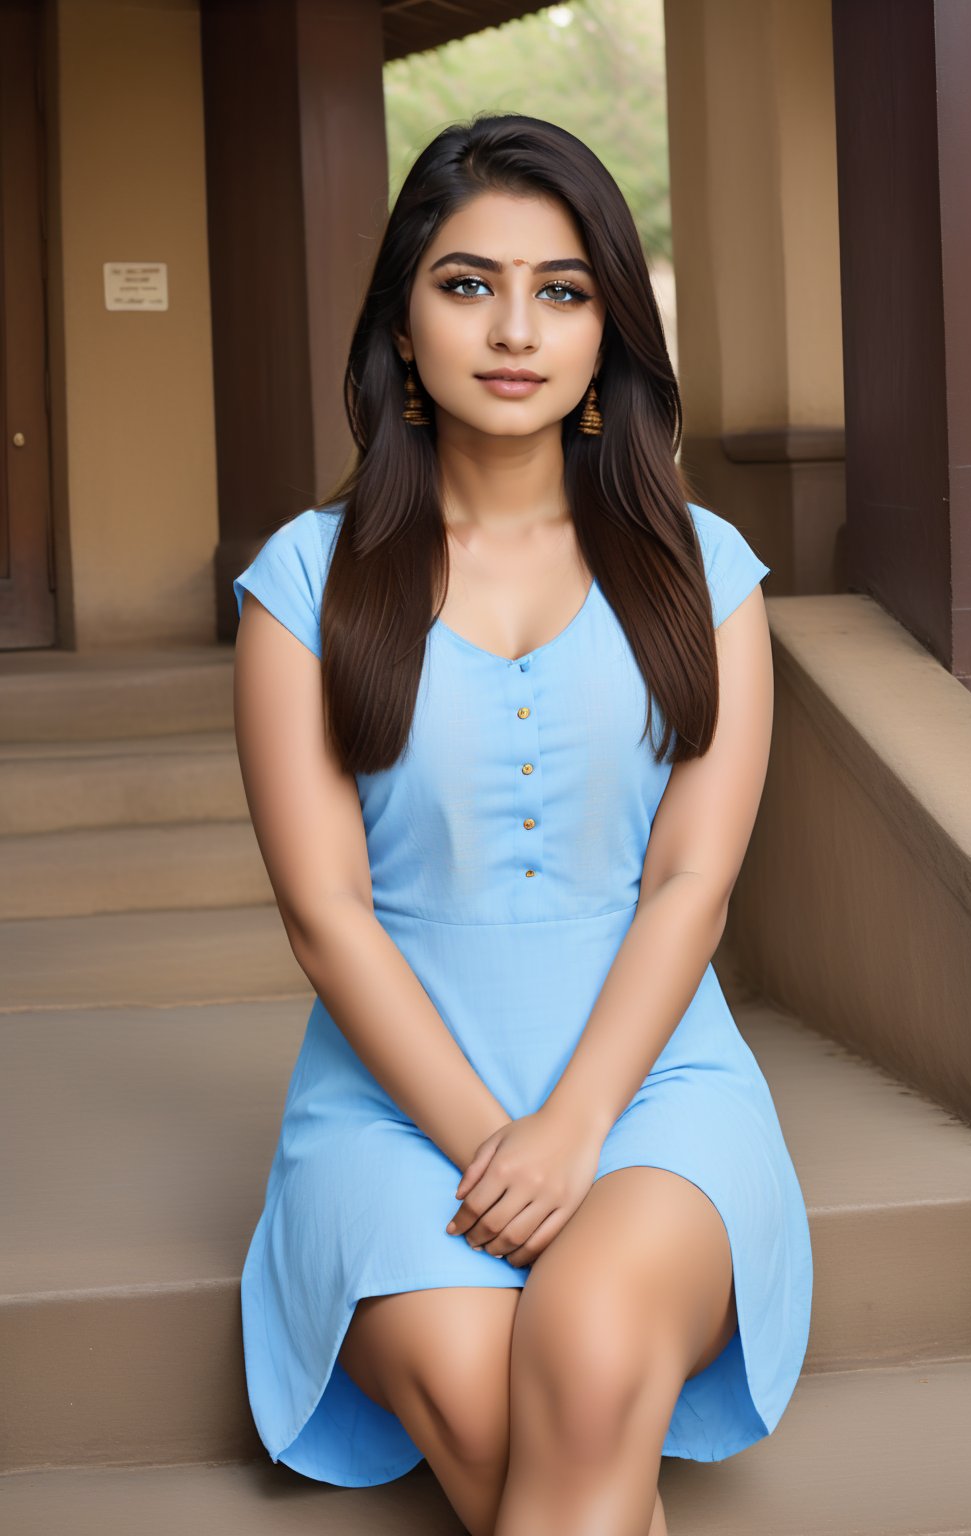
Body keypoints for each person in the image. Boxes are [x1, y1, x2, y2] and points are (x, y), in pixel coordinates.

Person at [232, 111, 812, 1536]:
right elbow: (328, 918)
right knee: (506, 1417)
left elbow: (691, 882)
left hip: (656, 1085)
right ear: (402, 320)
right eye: (466, 281)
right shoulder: (305, 581)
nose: (514, 327)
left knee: (593, 1352)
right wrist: (505, 1144)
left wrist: (578, 1127)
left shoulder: (705, 570)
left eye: (560, 289)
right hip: (394, 1107)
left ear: (607, 327)